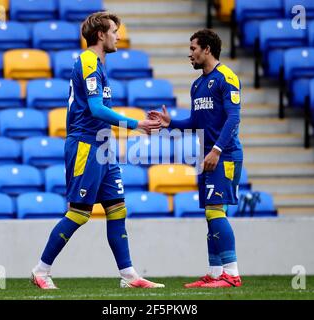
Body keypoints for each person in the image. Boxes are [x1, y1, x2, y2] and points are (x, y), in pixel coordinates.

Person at [31, 12, 164, 289]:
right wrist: (136, 124)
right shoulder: (89, 61)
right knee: (79, 213)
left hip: (103, 145)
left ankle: (128, 275)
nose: (118, 36)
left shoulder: (99, 64)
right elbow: (95, 109)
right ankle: (41, 270)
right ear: (101, 35)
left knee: (117, 210)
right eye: (115, 31)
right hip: (85, 145)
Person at [148, 29, 242, 288]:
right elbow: (195, 123)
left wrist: (217, 150)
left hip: (224, 155)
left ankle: (232, 274)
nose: (189, 54)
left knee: (215, 211)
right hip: (207, 156)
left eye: (193, 49)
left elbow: (234, 118)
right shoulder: (198, 85)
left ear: (207, 50)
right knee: (211, 214)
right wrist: (170, 123)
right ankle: (214, 273)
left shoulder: (226, 77)